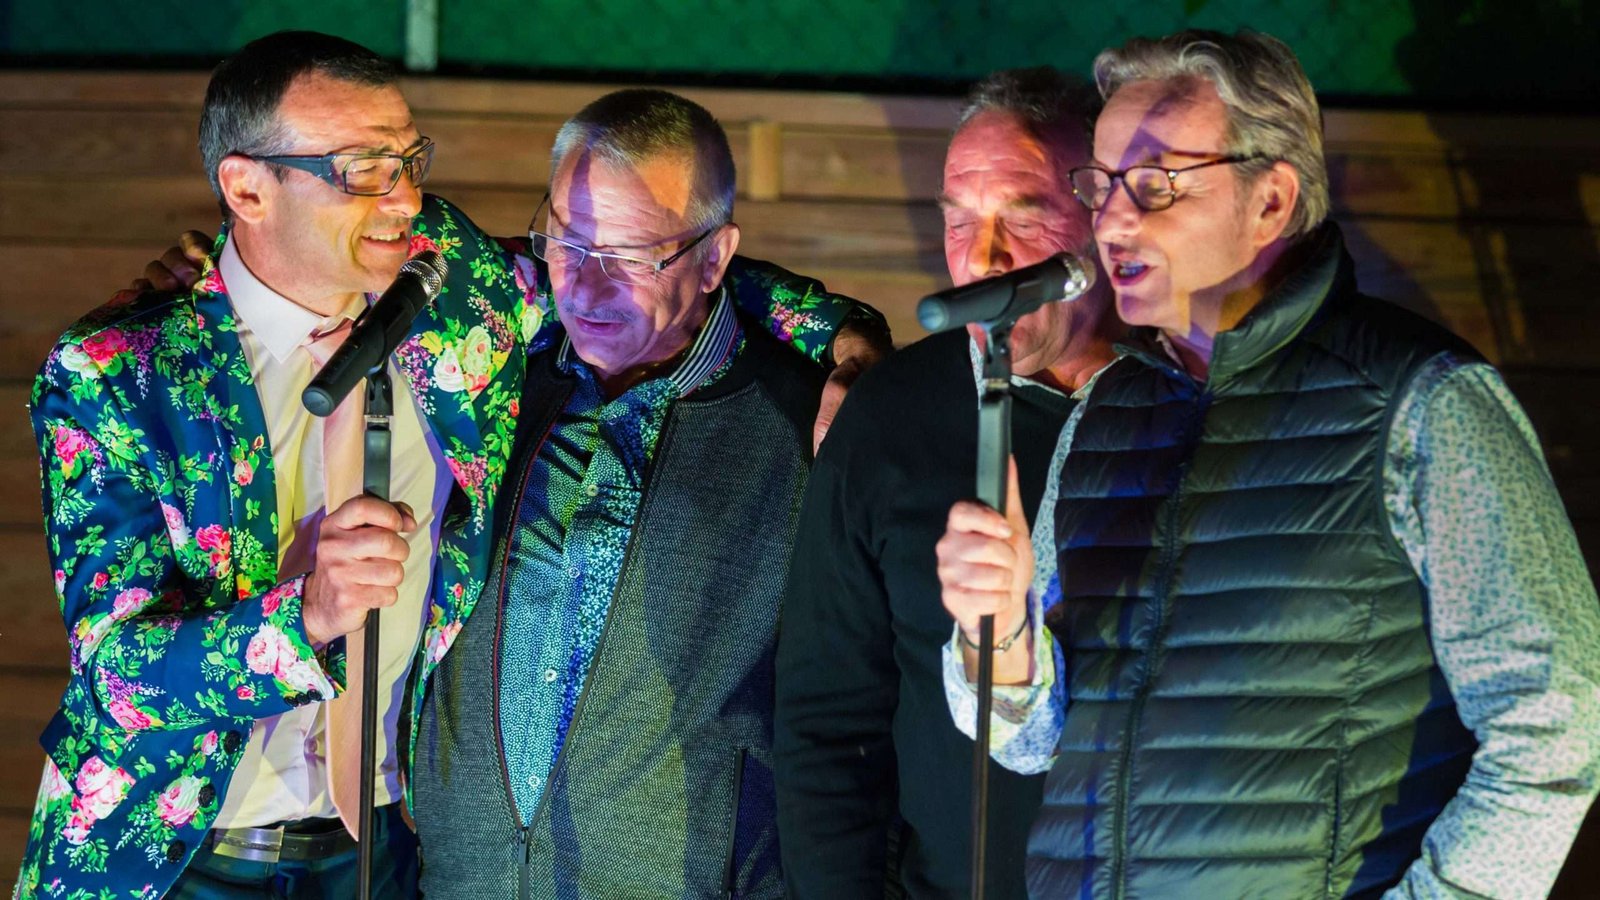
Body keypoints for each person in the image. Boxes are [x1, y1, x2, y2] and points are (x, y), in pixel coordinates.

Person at [17, 34, 883, 900]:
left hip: (382, 854)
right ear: (247, 189)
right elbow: (115, 673)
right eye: (364, 169)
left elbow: (658, 262)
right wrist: (309, 614)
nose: (406, 197)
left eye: (409, 159)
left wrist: (844, 336)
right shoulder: (117, 372)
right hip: (171, 858)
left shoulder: (444, 282)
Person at [937, 29, 1600, 899]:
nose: (1114, 222)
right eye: (1101, 185)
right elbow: (1027, 741)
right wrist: (998, 632)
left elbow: (1557, 722)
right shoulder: (1104, 413)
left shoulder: (1421, 402)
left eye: (1155, 184)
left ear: (1271, 200)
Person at [408, 88, 841, 897]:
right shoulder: (496, 378)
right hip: (464, 879)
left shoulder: (806, 423)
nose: (585, 287)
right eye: (567, 244)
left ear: (715, 259)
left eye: (632, 256)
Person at [773, 68, 1120, 899]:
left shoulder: (1183, 400)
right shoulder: (887, 414)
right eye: (958, 220)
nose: (982, 258)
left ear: (1106, 219)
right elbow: (826, 721)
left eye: (1022, 218)